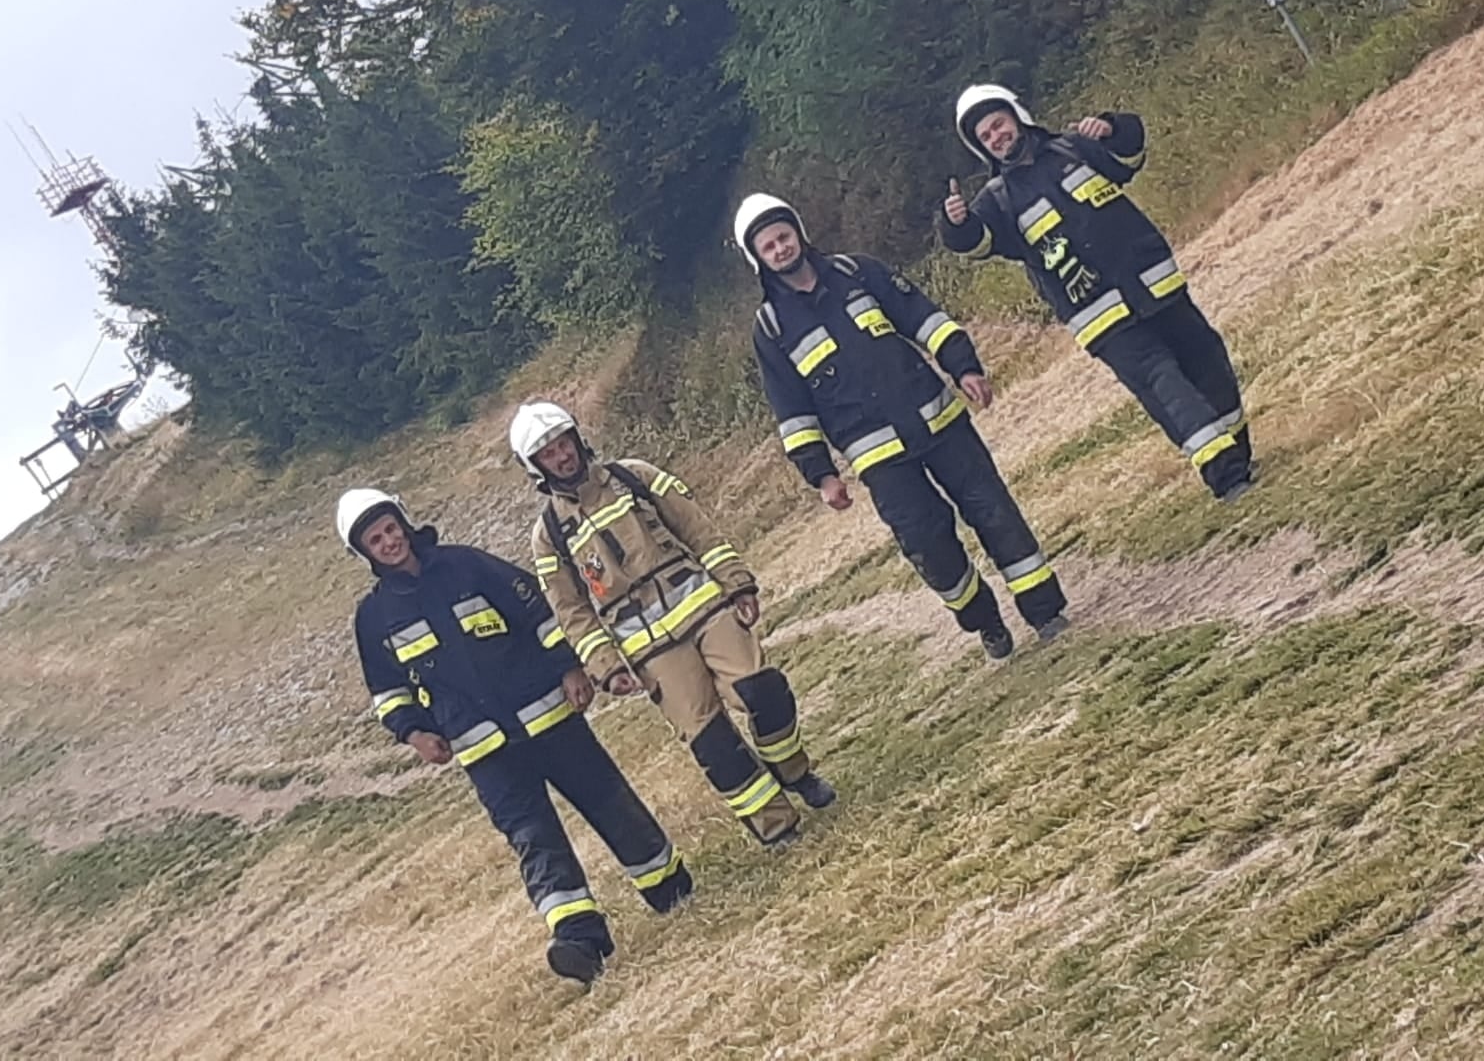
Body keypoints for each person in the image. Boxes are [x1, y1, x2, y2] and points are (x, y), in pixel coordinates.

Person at [339, 487, 693, 987]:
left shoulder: (467, 566)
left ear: (404, 523)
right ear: (365, 553)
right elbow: (387, 692)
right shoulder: (373, 619)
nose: (389, 541)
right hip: (484, 751)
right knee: (534, 839)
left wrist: (570, 667)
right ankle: (580, 942)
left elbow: (541, 614)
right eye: (376, 539)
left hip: (549, 717)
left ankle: (670, 886)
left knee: (609, 802)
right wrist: (414, 732)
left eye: (391, 528)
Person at [734, 193, 1070, 660]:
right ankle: (984, 619)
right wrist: (822, 475)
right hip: (880, 460)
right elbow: (792, 411)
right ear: (758, 259)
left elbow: (924, 318)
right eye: (768, 246)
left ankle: (1045, 611)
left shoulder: (859, 272)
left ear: (799, 233)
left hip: (941, 421)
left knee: (995, 513)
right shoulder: (770, 329)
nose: (780, 250)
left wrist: (964, 367)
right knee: (930, 548)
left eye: (783, 237)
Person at [508, 402, 835, 849]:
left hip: (704, 608)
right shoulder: (548, 535)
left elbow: (697, 527)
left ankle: (794, 772)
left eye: (563, 443)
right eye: (549, 454)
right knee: (713, 743)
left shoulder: (634, 475)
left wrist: (737, 584)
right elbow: (571, 612)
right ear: (536, 468)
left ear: (576, 438)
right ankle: (777, 827)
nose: (562, 456)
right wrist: (606, 666)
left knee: (763, 690)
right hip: (650, 653)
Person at [940, 84, 1254, 502]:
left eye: (998, 125)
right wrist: (955, 224)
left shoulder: (1074, 148)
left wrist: (1110, 128)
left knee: (1208, 361)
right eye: (986, 137)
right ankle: (1224, 474)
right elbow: (975, 242)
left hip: (1155, 285)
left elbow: (1130, 154)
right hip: (1102, 319)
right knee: (1164, 382)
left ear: (1016, 115)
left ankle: (1239, 451)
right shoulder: (997, 202)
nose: (996, 137)